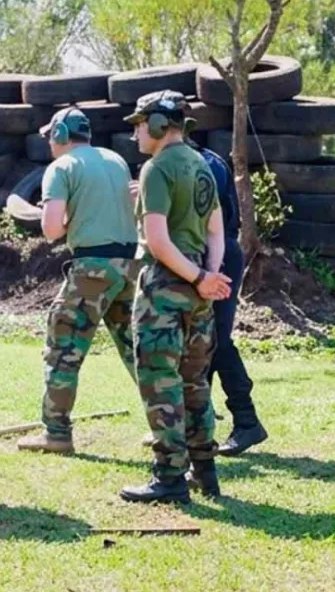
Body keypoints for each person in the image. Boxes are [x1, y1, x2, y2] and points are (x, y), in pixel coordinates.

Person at [118, 90, 233, 504]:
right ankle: (205, 471)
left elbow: (158, 240)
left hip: (164, 289)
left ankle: (169, 476)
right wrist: (209, 276)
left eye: (138, 124)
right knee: (194, 383)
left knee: (159, 382)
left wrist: (201, 275)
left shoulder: (156, 168)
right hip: (198, 292)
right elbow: (217, 231)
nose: (134, 134)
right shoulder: (202, 165)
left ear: (157, 124)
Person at [15, 107, 140, 454]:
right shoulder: (115, 160)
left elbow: (52, 229)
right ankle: (175, 426)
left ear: (59, 136)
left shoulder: (61, 168)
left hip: (92, 268)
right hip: (131, 265)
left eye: (50, 138)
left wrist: (64, 218)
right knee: (138, 350)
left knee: (64, 348)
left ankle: (55, 431)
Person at [140, 137, 268, 456]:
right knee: (201, 341)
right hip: (209, 253)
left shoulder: (193, 164)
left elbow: (204, 223)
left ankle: (246, 420)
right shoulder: (200, 161)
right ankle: (193, 425)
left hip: (213, 252)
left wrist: (206, 272)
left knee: (215, 340)